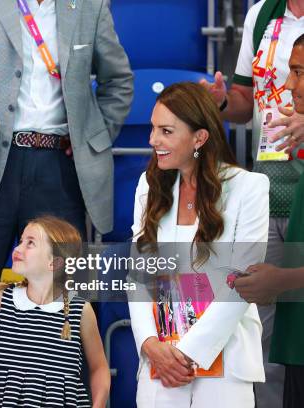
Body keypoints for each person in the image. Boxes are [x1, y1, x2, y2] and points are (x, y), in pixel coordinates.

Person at [0, 1, 133, 404]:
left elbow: (120, 81)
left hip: (60, 169)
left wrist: (94, 134)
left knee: (65, 317)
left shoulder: (90, 5)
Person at [128, 82, 268, 407]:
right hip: (159, 366)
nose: (152, 140)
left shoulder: (249, 188)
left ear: (199, 138)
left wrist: (187, 352)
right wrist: (150, 344)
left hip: (225, 362)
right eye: (153, 129)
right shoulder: (148, 187)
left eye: (166, 131)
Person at [200, 2, 304, 403]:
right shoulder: (261, 13)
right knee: (264, 334)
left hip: (302, 191)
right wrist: (223, 102)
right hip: (268, 190)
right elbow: (247, 102)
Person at [0, 203, 110, 407]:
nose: (17, 248)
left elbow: (99, 367)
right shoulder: (4, 296)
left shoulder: (80, 310)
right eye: (21, 240)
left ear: (55, 263)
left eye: (30, 243)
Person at [235, 34, 304, 408]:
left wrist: (284, 281)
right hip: (272, 209)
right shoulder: (262, 15)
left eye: (298, 72)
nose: (287, 84)